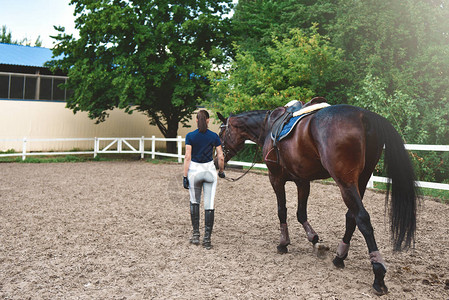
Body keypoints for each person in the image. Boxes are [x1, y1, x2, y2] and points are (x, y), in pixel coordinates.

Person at [183, 110, 225, 250]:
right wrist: (221, 171)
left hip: (194, 172)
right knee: (209, 205)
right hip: (209, 172)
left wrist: (185, 176)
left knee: (194, 202)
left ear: (196, 120)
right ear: (208, 120)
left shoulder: (190, 136)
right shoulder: (213, 136)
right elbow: (220, 156)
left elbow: (187, 157)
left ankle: (196, 235)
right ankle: (207, 239)